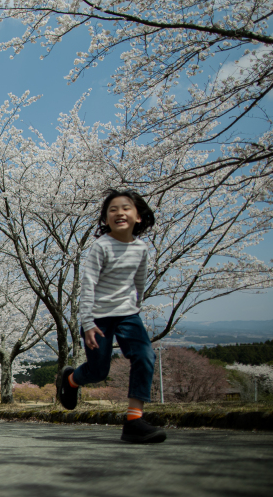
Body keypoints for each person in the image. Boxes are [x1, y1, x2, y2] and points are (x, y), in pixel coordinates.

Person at [60, 189, 166, 444]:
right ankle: (71, 379)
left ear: (138, 217)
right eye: (113, 209)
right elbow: (87, 286)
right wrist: (87, 324)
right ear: (106, 219)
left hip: (129, 314)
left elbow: (139, 281)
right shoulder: (101, 246)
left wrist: (136, 305)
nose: (119, 212)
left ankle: (133, 420)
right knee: (98, 371)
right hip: (98, 317)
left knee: (145, 355)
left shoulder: (141, 248)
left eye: (126, 208)